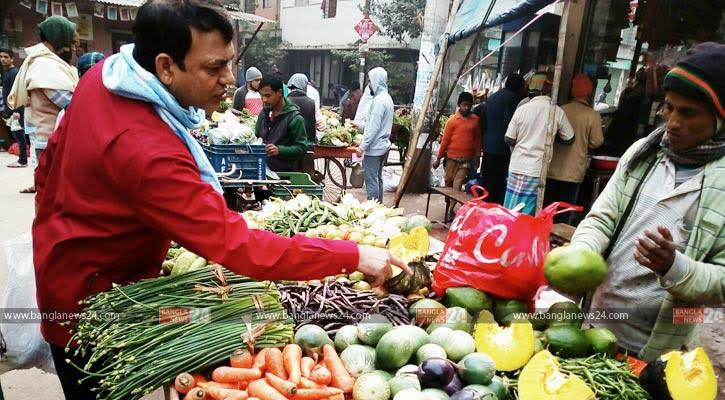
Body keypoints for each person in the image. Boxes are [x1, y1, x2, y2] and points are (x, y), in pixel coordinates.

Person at [32, 2, 405, 398]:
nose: (230, 79)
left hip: (72, 263)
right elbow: (239, 247)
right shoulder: (146, 150)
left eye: (230, 63)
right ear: (165, 67)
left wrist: (71, 220)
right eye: (213, 68)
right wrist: (350, 255)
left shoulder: (105, 77)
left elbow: (48, 165)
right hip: (92, 302)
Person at [570, 42, 725, 362]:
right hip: (598, 326)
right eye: (669, 107)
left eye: (688, 113)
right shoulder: (645, 153)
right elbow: (602, 218)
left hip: (662, 349)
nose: (673, 122)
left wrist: (674, 266)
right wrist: (581, 254)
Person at [8, 16, 78, 194]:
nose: (73, 48)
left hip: (50, 137)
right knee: (52, 193)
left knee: (49, 191)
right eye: (72, 43)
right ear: (59, 38)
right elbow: (70, 104)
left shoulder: (47, 61)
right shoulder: (45, 65)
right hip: (50, 140)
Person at [504, 73, 574, 215]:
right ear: (550, 91)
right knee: (527, 210)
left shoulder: (522, 109)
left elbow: (508, 138)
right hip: (537, 169)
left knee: (510, 208)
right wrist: (550, 137)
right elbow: (570, 139)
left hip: (517, 165)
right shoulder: (556, 112)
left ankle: (508, 233)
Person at [545, 73, 604, 221]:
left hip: (552, 168)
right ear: (589, 92)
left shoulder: (560, 109)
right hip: (573, 172)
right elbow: (597, 141)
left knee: (548, 211)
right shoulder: (592, 115)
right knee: (564, 214)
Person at [477, 74, 525, 204]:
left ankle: (481, 210)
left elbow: (483, 121)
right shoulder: (513, 99)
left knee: (485, 182)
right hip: (502, 149)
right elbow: (509, 123)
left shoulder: (493, 97)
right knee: (497, 185)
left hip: (488, 146)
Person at [256, 75, 308, 172]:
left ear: (279, 92)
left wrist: (280, 150)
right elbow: (256, 136)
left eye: (268, 95)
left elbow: (302, 148)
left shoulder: (295, 118)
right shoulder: (263, 114)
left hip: (284, 175)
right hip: (261, 170)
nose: (264, 100)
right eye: (261, 95)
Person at [355, 67, 393, 202]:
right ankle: (379, 206)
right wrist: (359, 126)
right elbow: (376, 124)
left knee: (371, 180)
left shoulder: (378, 101)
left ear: (376, 81)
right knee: (378, 177)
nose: (369, 85)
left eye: (370, 81)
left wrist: (362, 147)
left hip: (375, 148)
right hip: (383, 146)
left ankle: (372, 207)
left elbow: (374, 127)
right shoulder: (386, 98)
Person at [433, 92, 481, 191]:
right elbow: (445, 141)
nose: (466, 108)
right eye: (464, 105)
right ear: (459, 105)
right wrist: (438, 158)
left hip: (466, 160)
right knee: (448, 182)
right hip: (451, 159)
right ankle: (448, 203)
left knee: (458, 183)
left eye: (469, 105)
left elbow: (477, 140)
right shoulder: (452, 121)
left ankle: (451, 206)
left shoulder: (475, 121)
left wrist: (477, 156)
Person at [1, 48, 27, 168]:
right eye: (1, 56)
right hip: (10, 109)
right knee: (16, 134)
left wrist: (16, 110)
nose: (2, 59)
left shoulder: (14, 72)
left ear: (12, 58)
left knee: (19, 134)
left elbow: (18, 92)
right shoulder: (5, 72)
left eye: (6, 57)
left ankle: (22, 160)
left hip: (16, 110)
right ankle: (22, 159)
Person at [287, 73, 318, 144]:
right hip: (307, 143)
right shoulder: (312, 102)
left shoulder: (284, 102)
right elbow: (319, 125)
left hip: (288, 144)